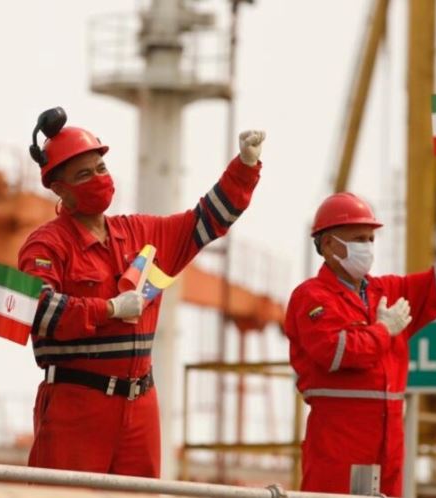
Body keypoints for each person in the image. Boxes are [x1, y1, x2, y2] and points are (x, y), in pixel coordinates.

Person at [17, 107, 265, 477]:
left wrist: (244, 168)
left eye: (101, 168)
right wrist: (109, 309)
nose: (98, 179)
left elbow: (207, 221)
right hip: (76, 405)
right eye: (84, 174)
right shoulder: (46, 245)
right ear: (59, 189)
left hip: (140, 407)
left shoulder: (141, 233)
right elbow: (36, 310)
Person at [285, 192, 436, 496]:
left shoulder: (387, 291)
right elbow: (336, 351)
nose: (368, 247)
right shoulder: (311, 297)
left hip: (389, 452)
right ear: (329, 244)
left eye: (371, 239)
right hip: (338, 452)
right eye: (359, 239)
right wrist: (384, 331)